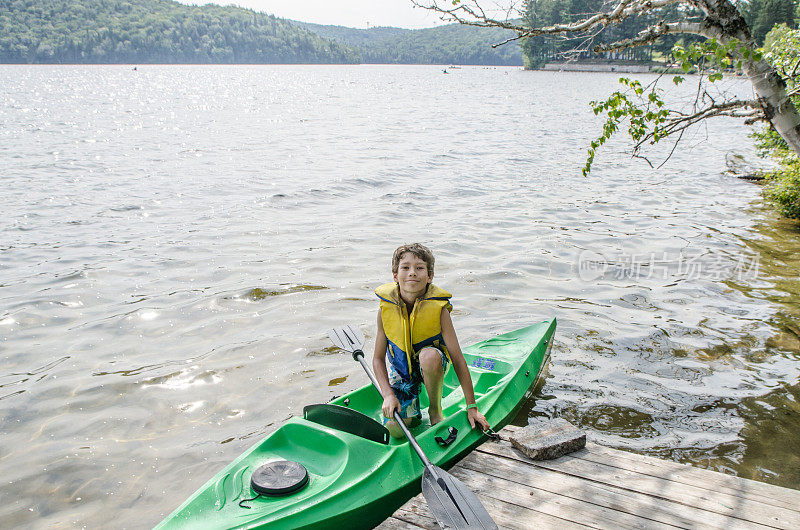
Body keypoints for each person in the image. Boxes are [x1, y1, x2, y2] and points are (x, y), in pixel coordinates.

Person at [372, 243, 490, 438]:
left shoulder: (440, 310)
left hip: (433, 363)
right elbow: (377, 359)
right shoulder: (385, 310)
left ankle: (435, 409)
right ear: (395, 275)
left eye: (419, 268)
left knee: (429, 356)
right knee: (395, 430)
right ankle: (413, 411)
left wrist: (472, 407)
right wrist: (388, 395)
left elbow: (458, 359)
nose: (412, 273)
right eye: (405, 267)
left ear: (430, 276)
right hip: (402, 372)